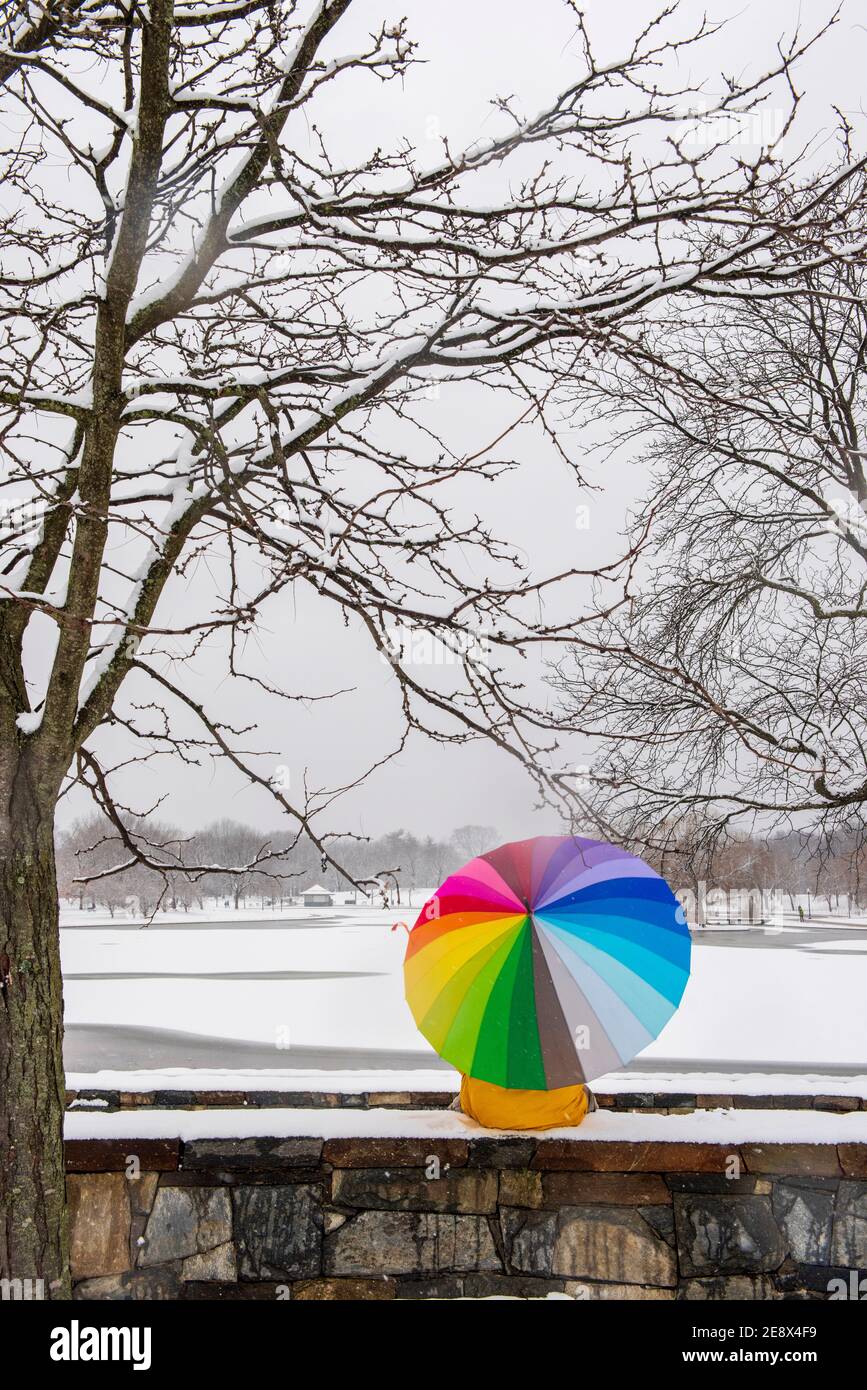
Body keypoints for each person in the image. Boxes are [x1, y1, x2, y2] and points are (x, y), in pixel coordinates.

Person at [451, 1075, 597, 1130]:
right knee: (584, 1092)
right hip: (560, 1112)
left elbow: (465, 1066)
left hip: (491, 1113)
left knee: (465, 1095)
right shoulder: (566, 1031)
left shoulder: (486, 1028)